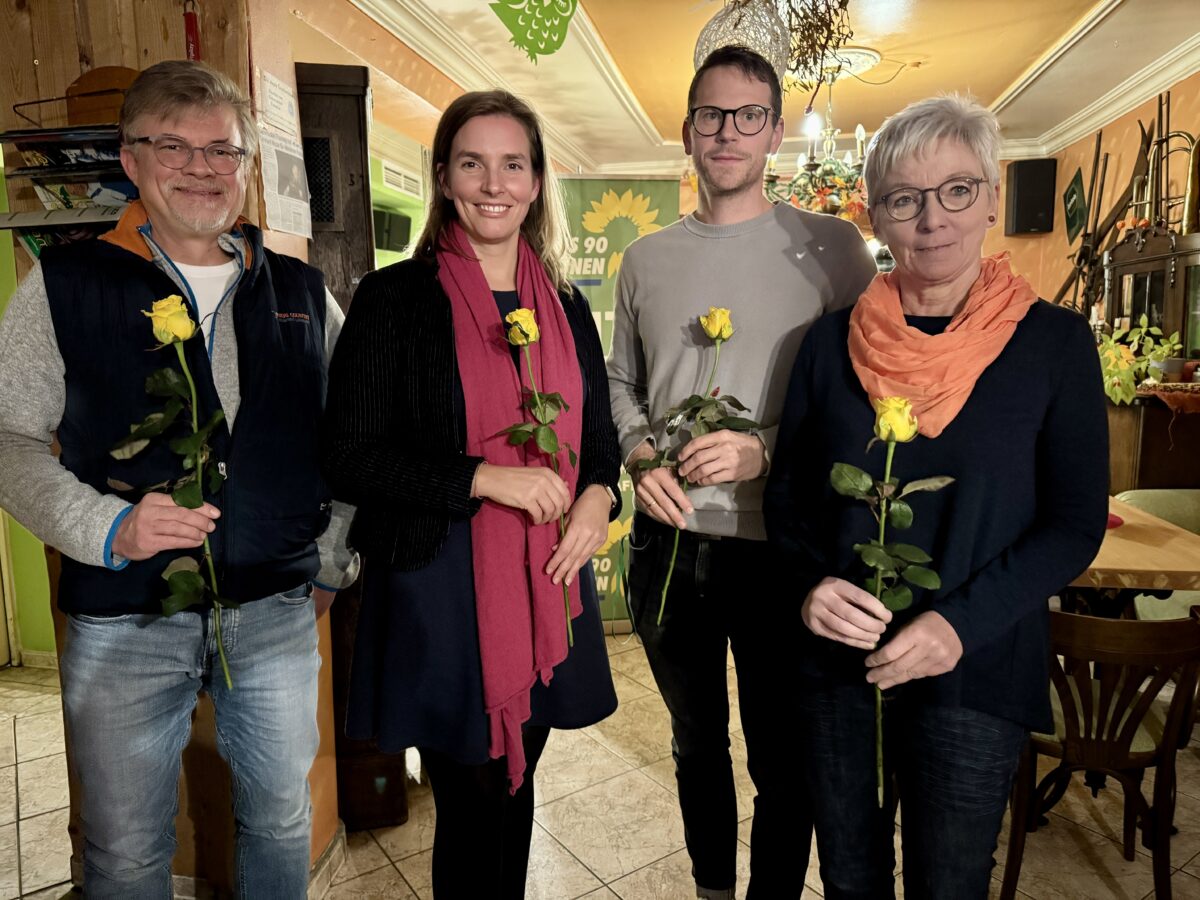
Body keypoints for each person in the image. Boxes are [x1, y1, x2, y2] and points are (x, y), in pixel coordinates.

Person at [0, 60, 358, 898]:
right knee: (124, 851)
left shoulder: (301, 292)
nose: (201, 167)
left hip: (275, 613)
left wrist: (333, 566)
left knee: (279, 823)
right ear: (130, 159)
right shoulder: (63, 284)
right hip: (122, 621)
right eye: (173, 146)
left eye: (222, 151)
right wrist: (107, 528)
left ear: (245, 165)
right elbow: (8, 440)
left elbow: (353, 446)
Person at [764, 94, 1109, 898]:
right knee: (850, 877)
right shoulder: (829, 342)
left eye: (957, 189)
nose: (932, 219)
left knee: (949, 883)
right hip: (836, 670)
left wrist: (961, 626)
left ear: (992, 196)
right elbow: (787, 498)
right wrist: (809, 585)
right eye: (904, 198)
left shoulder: (1054, 346)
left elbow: (1073, 524)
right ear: (876, 214)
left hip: (975, 665)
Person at [319, 89, 620, 898]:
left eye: (513, 164)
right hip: (441, 582)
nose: (495, 183)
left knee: (517, 791)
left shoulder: (565, 302)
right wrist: (483, 477)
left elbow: (599, 448)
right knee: (475, 792)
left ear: (536, 179)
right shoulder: (394, 300)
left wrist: (598, 499)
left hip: (549, 578)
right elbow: (346, 456)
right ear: (445, 178)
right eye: (473, 163)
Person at [606, 45, 877, 899]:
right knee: (694, 743)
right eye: (712, 116)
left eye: (748, 115)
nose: (728, 132)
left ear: (778, 131)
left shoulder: (834, 250)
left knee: (780, 752)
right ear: (687, 130)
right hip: (671, 547)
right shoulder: (645, 260)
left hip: (782, 550)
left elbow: (864, 398)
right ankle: (713, 891)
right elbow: (619, 385)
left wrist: (765, 447)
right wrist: (639, 451)